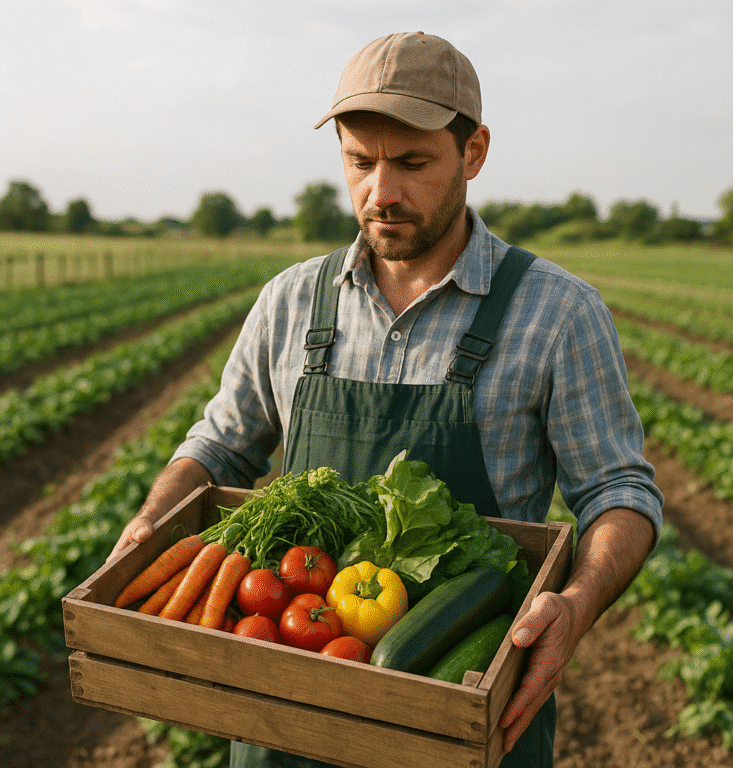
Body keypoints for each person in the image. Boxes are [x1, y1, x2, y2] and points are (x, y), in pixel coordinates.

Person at [109, 31, 663, 768]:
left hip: (461, 711)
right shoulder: (290, 302)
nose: (381, 192)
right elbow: (219, 444)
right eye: (359, 161)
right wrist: (155, 516)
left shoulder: (557, 314)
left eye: (412, 163)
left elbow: (619, 490)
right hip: (287, 705)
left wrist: (578, 602)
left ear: (473, 154)